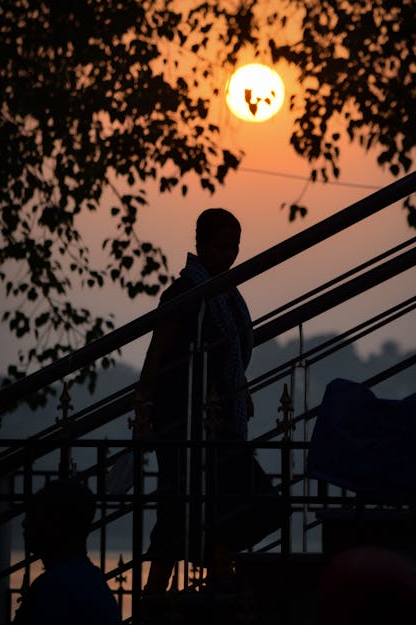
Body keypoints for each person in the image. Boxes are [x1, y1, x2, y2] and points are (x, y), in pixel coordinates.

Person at [133, 208, 282, 595]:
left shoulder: (224, 293)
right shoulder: (185, 292)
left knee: (220, 503)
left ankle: (216, 566)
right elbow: (157, 350)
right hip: (183, 417)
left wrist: (238, 388)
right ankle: (160, 595)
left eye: (235, 246)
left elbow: (225, 351)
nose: (230, 255)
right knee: (180, 506)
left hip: (218, 419)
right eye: (222, 246)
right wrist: (143, 408)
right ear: (201, 244)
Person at [12, 479, 121, 625]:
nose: (24, 523)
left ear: (57, 523)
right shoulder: (91, 584)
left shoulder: (53, 589)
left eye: (33, 515)